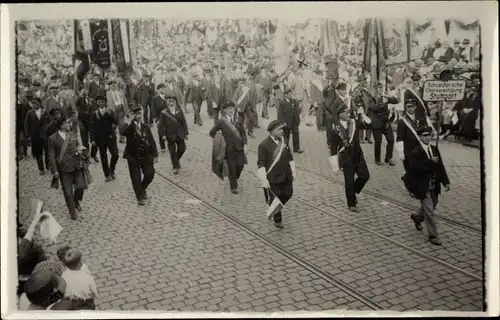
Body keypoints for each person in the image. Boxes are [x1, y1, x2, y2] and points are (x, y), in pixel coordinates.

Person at [407, 126, 450, 246]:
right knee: (430, 212)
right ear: (420, 137)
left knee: (432, 205)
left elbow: (440, 167)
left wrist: (445, 182)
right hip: (423, 185)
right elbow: (415, 168)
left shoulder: (434, 149)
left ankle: (417, 217)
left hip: (434, 185)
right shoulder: (416, 151)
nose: (427, 138)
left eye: (429, 135)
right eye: (424, 135)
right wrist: (430, 162)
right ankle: (433, 235)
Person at [328, 100, 371, 212]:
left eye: (348, 112)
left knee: (365, 176)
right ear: (340, 114)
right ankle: (351, 203)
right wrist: (335, 165)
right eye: (346, 113)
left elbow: (368, 125)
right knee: (349, 180)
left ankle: (353, 192)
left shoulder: (354, 122)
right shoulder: (335, 130)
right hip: (346, 157)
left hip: (357, 154)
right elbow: (333, 148)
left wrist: (363, 114)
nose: (348, 114)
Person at [256, 120, 296, 228]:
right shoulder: (263, 145)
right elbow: (261, 163)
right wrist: (264, 179)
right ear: (272, 131)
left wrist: (293, 170)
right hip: (273, 177)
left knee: (289, 193)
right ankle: (277, 219)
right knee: (274, 198)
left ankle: (273, 207)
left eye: (282, 129)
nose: (282, 131)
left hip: (286, 174)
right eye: (279, 129)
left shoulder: (284, 141)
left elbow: (290, 156)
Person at [47, 116, 86, 220]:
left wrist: (81, 151)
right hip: (64, 169)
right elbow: (51, 156)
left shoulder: (71, 135)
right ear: (61, 125)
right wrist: (54, 171)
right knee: (68, 192)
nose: (69, 124)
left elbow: (77, 146)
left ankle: (76, 200)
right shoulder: (53, 138)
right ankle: (73, 213)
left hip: (76, 165)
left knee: (81, 187)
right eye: (67, 123)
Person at [120, 107, 158, 206]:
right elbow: (122, 132)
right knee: (136, 178)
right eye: (136, 114)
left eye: (139, 114)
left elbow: (151, 141)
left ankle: (142, 188)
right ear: (133, 115)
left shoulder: (145, 127)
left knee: (150, 173)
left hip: (145, 154)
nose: (138, 116)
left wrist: (155, 154)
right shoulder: (129, 127)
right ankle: (139, 197)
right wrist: (128, 121)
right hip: (132, 156)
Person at [209, 101, 248, 194]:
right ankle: (233, 186)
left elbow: (243, 134)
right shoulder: (221, 122)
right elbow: (212, 132)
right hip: (228, 150)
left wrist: (245, 145)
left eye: (232, 108)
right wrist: (219, 137)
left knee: (240, 165)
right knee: (232, 168)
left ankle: (234, 177)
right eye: (228, 109)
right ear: (224, 110)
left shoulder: (239, 120)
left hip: (239, 148)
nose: (230, 111)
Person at [396, 99, 424, 196]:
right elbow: (399, 137)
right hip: (408, 149)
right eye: (408, 107)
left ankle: (407, 179)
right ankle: (412, 189)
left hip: (419, 149)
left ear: (415, 107)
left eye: (412, 106)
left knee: (417, 168)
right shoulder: (402, 121)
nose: (410, 109)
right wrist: (401, 152)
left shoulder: (420, 119)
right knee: (411, 169)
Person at [366, 82, 398, 166]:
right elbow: (374, 108)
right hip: (377, 123)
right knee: (378, 141)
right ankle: (377, 159)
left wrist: (389, 97)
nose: (381, 89)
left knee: (391, 139)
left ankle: (389, 158)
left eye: (382, 88)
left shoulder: (386, 97)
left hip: (386, 122)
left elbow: (396, 101)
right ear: (376, 89)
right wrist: (383, 103)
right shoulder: (371, 98)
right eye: (379, 88)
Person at [90, 95, 119, 181]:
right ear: (97, 103)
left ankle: (112, 169)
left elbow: (115, 121)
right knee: (103, 157)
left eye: (102, 101)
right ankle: (107, 175)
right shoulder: (94, 114)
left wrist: (110, 116)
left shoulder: (109, 111)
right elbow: (91, 128)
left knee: (115, 154)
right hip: (100, 139)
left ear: (105, 102)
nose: (101, 103)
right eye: (99, 102)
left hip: (111, 137)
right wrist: (92, 140)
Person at [158, 95, 189, 174]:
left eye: (172, 101)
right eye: (169, 101)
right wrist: (163, 135)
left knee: (182, 148)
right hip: (170, 135)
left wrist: (186, 133)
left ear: (175, 102)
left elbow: (184, 122)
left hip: (180, 133)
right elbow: (161, 125)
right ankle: (175, 166)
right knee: (172, 152)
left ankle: (176, 161)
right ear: (167, 102)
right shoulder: (164, 112)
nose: (171, 103)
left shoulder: (179, 110)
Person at [24, 97, 51, 175]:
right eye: (32, 103)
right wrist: (28, 135)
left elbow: (50, 122)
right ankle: (41, 169)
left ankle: (48, 166)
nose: (34, 105)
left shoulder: (45, 112)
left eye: (35, 103)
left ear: (39, 103)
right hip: (35, 136)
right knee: (38, 153)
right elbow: (26, 124)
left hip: (45, 136)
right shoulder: (29, 113)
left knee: (47, 151)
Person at [277, 88, 303, 153]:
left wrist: (298, 119)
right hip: (286, 122)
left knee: (296, 134)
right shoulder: (282, 103)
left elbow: (298, 107)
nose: (290, 95)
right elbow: (279, 115)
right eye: (289, 94)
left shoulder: (293, 101)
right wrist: (283, 122)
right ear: (285, 95)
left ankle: (297, 148)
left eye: (291, 93)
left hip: (294, 121)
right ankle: (285, 148)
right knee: (286, 136)